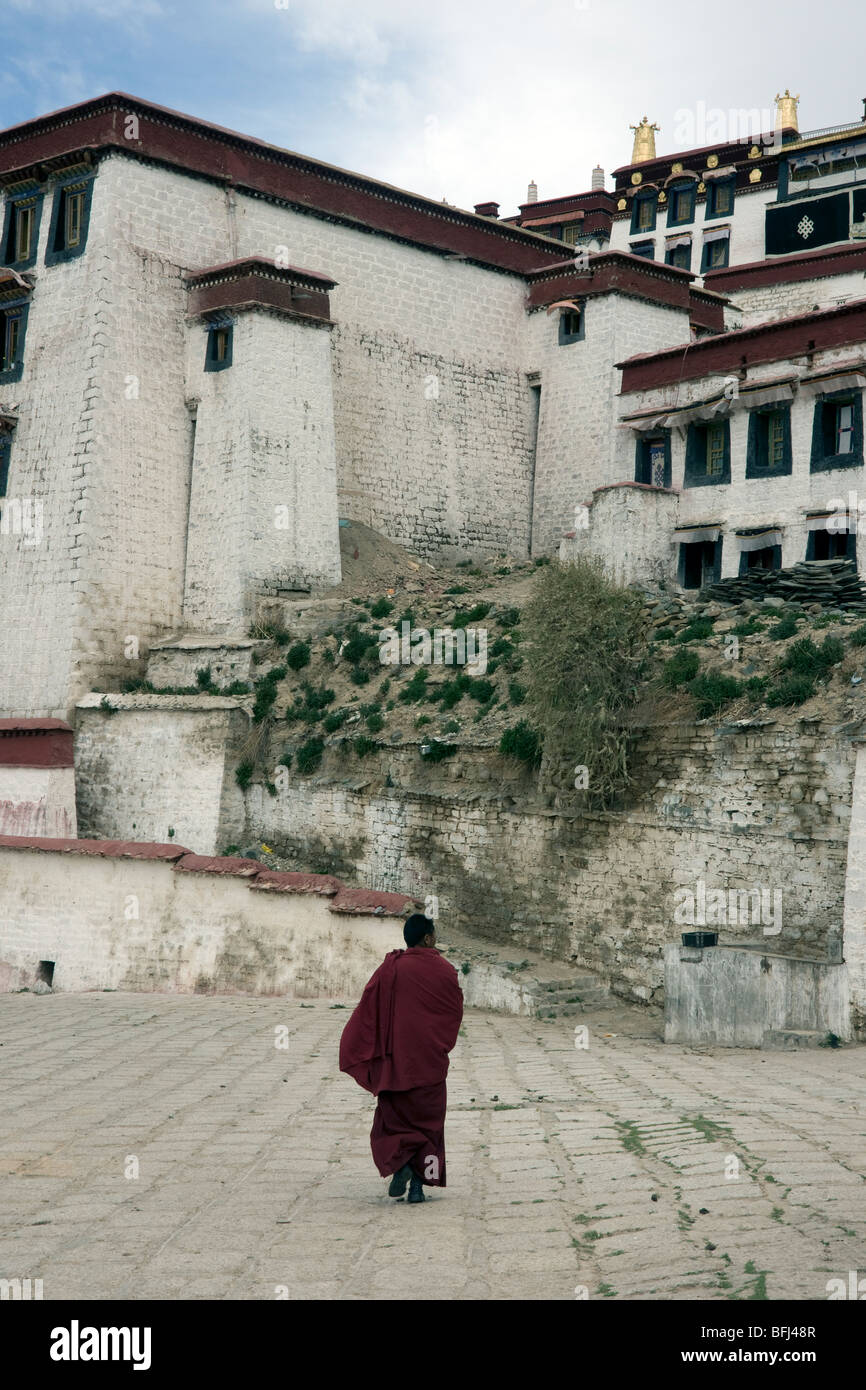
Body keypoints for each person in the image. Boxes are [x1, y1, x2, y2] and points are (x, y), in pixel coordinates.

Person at [339, 912, 464, 1204]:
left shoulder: (390, 969)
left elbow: (368, 1009)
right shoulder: (445, 970)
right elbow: (453, 1013)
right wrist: (439, 1046)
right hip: (429, 1065)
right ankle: (419, 1187)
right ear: (429, 938)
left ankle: (403, 1165)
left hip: (395, 1066)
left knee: (394, 1122)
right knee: (429, 1126)